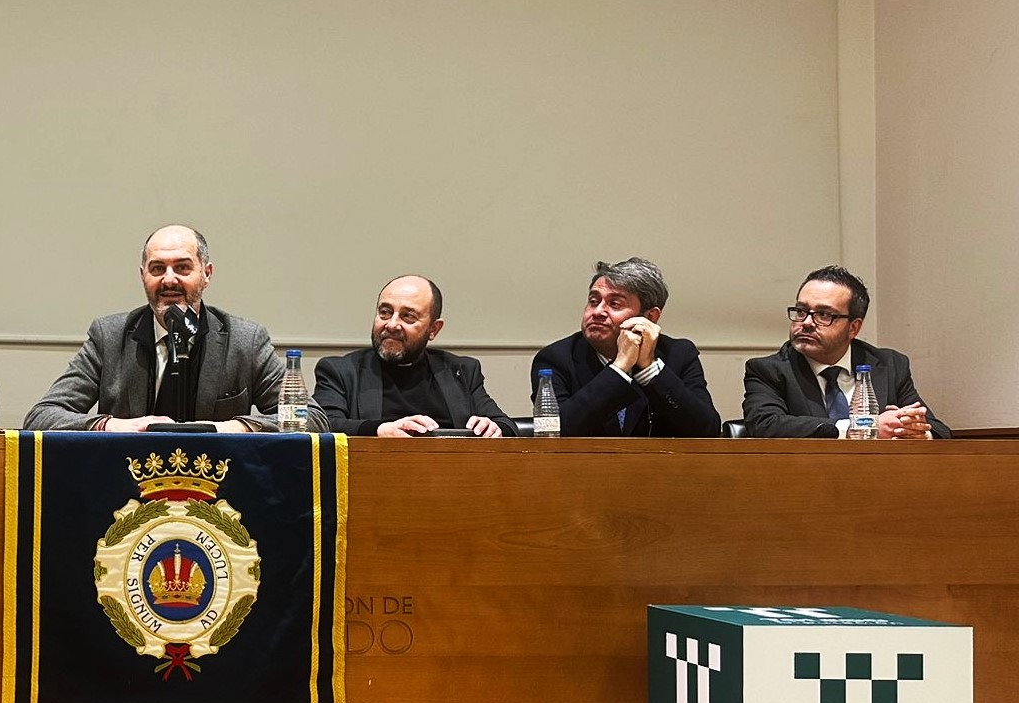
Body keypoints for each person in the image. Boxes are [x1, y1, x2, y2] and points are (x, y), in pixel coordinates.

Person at [24, 224, 317, 432]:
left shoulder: (245, 340)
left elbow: (311, 419)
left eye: (182, 268)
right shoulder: (109, 336)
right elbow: (41, 417)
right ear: (143, 276)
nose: (169, 280)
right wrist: (110, 425)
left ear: (207, 274)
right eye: (157, 268)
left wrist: (237, 426)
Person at [742, 266, 948, 438]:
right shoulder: (768, 370)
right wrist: (859, 428)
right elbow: (765, 425)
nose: (806, 323)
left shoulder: (889, 365)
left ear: (853, 328)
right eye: (801, 311)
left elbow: (938, 430)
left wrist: (914, 430)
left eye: (823, 315)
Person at [531, 257, 719, 437]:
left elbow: (707, 430)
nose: (597, 312)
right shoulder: (555, 359)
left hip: (659, 468)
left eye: (614, 304)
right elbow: (556, 431)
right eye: (594, 301)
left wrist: (650, 369)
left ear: (650, 317)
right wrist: (619, 368)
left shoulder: (679, 354)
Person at [313, 275, 513, 437]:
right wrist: (378, 430)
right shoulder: (340, 371)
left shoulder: (460, 371)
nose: (391, 324)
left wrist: (494, 428)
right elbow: (321, 424)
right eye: (385, 312)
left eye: (408, 316)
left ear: (433, 329)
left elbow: (507, 425)